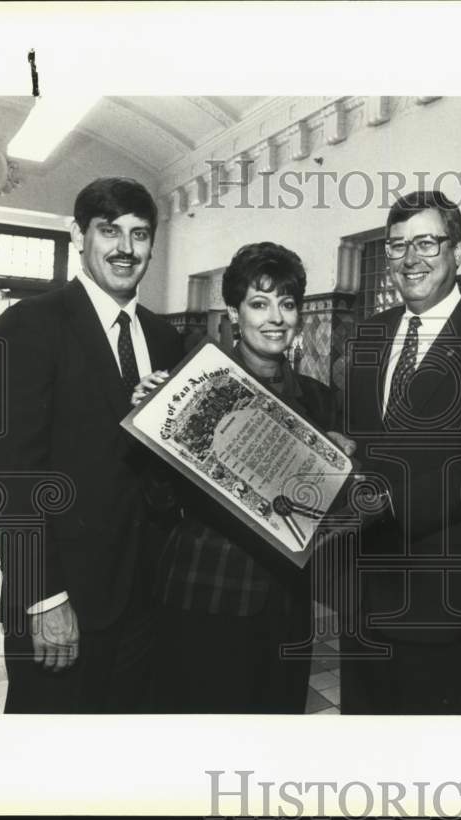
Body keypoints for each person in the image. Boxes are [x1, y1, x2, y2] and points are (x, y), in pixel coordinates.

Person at [0, 177, 184, 713]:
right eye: (109, 230)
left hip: (146, 600)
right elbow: (9, 473)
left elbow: (162, 475)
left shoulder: (166, 339)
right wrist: (42, 597)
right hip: (62, 600)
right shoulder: (30, 323)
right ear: (79, 235)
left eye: (139, 234)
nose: (125, 248)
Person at [134, 242, 351, 713]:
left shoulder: (319, 401)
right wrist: (151, 425)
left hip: (286, 605)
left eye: (287, 304)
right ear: (234, 312)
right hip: (206, 592)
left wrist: (340, 471)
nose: (275, 317)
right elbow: (158, 501)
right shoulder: (190, 383)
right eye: (259, 302)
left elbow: (329, 514)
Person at [337, 190, 461, 714]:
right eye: (397, 245)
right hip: (360, 586)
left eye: (426, 242)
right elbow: (357, 440)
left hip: (439, 594)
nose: (410, 258)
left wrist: (389, 502)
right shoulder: (368, 336)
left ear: (459, 251)